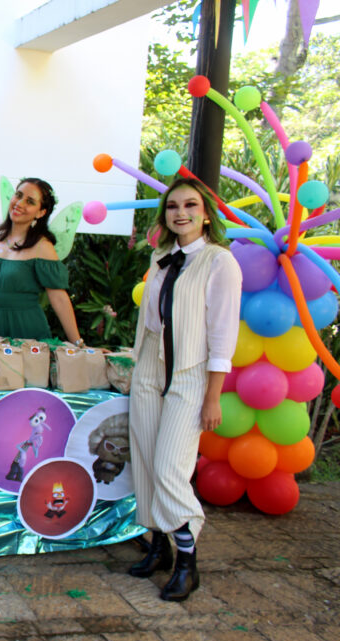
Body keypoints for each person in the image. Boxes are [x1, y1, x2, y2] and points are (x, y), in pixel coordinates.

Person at [126, 177, 241, 602]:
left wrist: (213, 395)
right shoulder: (161, 257)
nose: (181, 213)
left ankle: (188, 561)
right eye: (172, 206)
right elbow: (151, 320)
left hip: (190, 372)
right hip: (150, 367)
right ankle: (159, 546)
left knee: (170, 466)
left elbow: (222, 334)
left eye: (190, 205)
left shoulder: (219, 262)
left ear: (207, 212)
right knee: (145, 456)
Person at [0, 178, 84, 344]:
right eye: (18, 195)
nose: (19, 203)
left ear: (41, 212)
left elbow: (59, 299)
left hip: (25, 331)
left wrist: (78, 343)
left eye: (30, 201)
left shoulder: (43, 247)